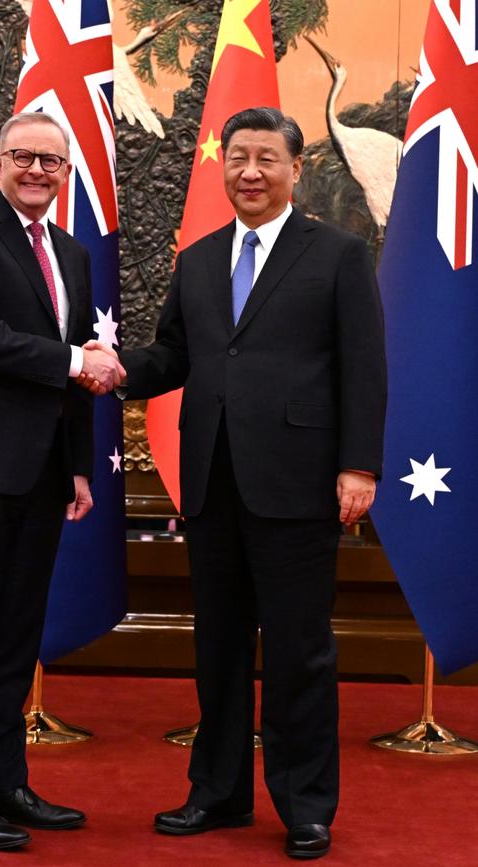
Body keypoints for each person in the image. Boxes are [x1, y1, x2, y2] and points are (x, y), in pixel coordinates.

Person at [84, 106, 386, 859]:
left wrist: (360, 464)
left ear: (294, 167)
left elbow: (365, 369)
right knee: (217, 648)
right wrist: (120, 369)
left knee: (298, 651)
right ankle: (216, 792)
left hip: (300, 483)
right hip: (213, 482)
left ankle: (305, 804)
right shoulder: (199, 258)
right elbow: (176, 356)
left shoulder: (340, 255)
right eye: (237, 158)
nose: (250, 171)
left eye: (266, 159)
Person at [0, 111, 125, 851]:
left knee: (15, 634)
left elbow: (68, 372)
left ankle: (6, 781)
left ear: (66, 174)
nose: (38, 170)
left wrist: (77, 464)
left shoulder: (71, 253)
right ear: (0, 160)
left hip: (43, 472)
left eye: (52, 161)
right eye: (25, 157)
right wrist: (76, 362)